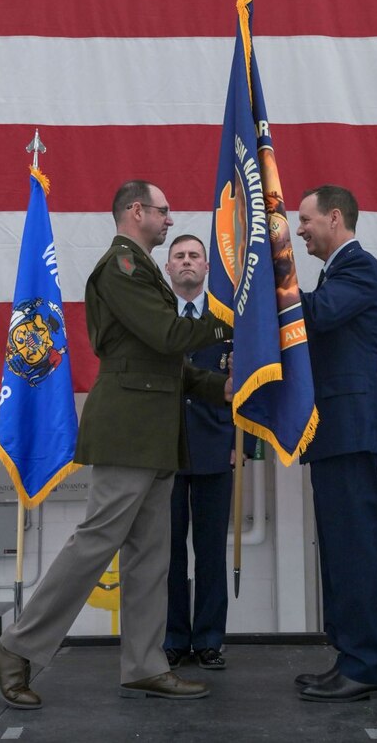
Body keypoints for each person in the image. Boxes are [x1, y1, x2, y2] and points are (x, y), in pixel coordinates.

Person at [0, 180, 233, 708]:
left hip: (154, 433)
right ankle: (16, 647)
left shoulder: (142, 272)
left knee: (150, 557)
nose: (169, 220)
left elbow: (167, 364)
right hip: (128, 431)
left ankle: (144, 664)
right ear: (136, 211)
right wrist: (232, 324)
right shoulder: (120, 268)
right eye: (163, 212)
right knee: (95, 544)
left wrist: (221, 387)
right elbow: (168, 336)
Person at [294, 184, 377, 703]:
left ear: (335, 218)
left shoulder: (360, 269)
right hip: (334, 430)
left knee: (356, 549)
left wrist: (270, 279)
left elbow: (314, 315)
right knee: (339, 551)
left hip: (351, 427)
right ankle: (351, 656)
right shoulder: (337, 273)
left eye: (306, 220)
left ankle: (371, 663)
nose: (300, 230)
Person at [163, 234, 234, 671]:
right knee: (167, 552)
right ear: (168, 268)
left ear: (207, 268)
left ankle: (209, 639)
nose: (187, 262)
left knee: (210, 551)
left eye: (194, 256)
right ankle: (172, 638)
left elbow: (251, 385)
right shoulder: (154, 315)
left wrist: (243, 446)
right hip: (164, 449)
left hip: (215, 448)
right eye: (179, 256)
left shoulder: (228, 318)